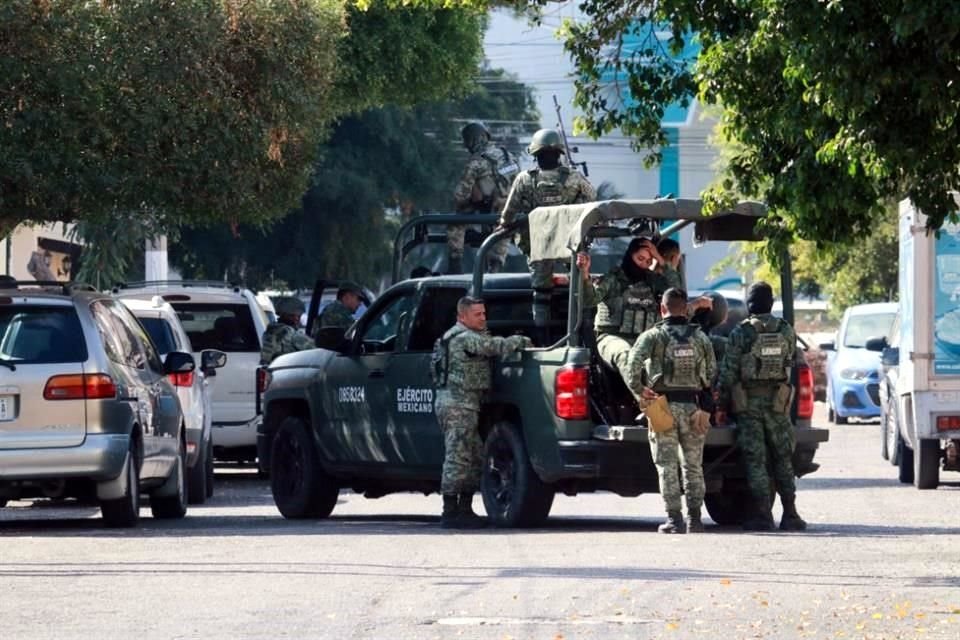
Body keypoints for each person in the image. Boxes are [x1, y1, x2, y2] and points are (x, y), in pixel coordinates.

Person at [714, 281, 807, 532]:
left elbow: (729, 372)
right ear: (772, 303)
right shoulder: (786, 330)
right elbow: (791, 362)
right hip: (778, 403)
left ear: (749, 306)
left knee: (756, 461)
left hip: (749, 406)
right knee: (783, 459)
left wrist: (721, 405)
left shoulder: (741, 333)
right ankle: (791, 514)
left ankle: (763, 515)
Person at [432, 296, 531, 529]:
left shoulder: (459, 336)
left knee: (474, 454)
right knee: (457, 457)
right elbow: (494, 346)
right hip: (457, 406)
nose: (483, 318)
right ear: (462, 316)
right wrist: (520, 339)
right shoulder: (463, 338)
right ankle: (450, 511)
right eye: (478, 314)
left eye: (484, 313)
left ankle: (464, 508)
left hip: (465, 405)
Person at [626, 288, 717, 534]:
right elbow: (711, 376)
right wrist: (706, 404)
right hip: (692, 405)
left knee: (666, 465)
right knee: (693, 464)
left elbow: (631, 364)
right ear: (685, 309)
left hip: (659, 404)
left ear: (662, 309)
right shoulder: (700, 338)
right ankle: (695, 519)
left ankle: (674, 519)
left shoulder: (651, 336)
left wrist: (639, 390)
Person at [497, 128, 596, 334]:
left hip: (539, 242)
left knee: (541, 293)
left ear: (535, 154)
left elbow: (509, 212)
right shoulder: (574, 178)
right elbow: (593, 201)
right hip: (570, 241)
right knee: (580, 285)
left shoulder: (524, 179)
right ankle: (587, 331)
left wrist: (505, 224)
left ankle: (543, 338)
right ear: (559, 153)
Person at [582, 238, 707, 381]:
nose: (643, 264)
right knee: (627, 357)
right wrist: (585, 274)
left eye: (648, 261)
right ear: (630, 255)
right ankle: (644, 398)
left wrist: (659, 258)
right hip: (613, 338)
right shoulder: (613, 279)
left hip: (644, 340)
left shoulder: (652, 281)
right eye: (640, 258)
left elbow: (676, 293)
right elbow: (589, 300)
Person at [449, 122, 521, 274]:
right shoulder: (510, 156)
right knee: (502, 235)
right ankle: (495, 267)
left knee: (454, 222)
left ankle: (455, 266)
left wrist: (471, 200)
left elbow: (459, 196)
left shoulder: (476, 161)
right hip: (511, 214)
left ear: (471, 142)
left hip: (487, 210)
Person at [260, 297, 314, 365]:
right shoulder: (293, 335)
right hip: (288, 372)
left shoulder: (269, 331)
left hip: (271, 368)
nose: (298, 317)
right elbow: (316, 350)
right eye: (298, 314)